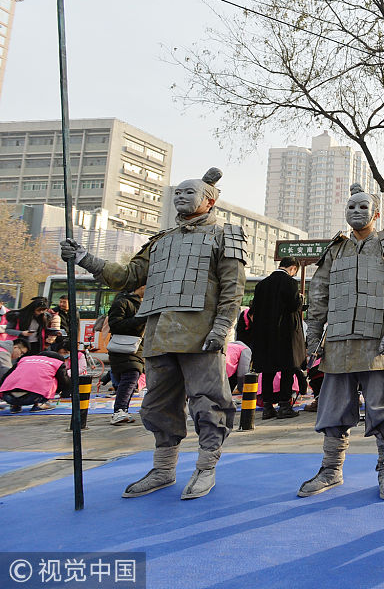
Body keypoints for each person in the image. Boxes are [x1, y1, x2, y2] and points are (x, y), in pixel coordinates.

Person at [61, 167, 247, 501]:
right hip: (160, 336)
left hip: (202, 335)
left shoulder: (225, 235)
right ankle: (163, 469)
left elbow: (233, 291)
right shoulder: (161, 241)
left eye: (189, 191)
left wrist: (221, 328)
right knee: (157, 403)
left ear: (209, 200)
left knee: (208, 404)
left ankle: (206, 468)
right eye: (177, 191)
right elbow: (126, 277)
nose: (180, 196)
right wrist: (85, 259)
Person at [298, 183, 384, 500]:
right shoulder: (335, 250)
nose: (356, 212)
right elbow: (318, 297)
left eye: (363, 207)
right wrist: (314, 338)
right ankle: (331, 469)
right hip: (338, 343)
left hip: (376, 344)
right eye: (351, 207)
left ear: (376, 213)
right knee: (332, 409)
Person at [248, 257, 306, 420]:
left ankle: (267, 407)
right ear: (293, 268)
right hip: (286, 335)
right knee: (287, 368)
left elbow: (254, 310)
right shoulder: (290, 283)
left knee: (268, 370)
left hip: (265, 335)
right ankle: (284, 406)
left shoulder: (262, 284)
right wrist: (301, 299)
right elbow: (294, 305)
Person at [106, 285, 147, 425]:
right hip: (124, 347)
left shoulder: (144, 303)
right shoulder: (122, 302)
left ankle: (122, 410)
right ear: (140, 286)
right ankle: (119, 411)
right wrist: (141, 318)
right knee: (131, 375)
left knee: (131, 378)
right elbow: (115, 325)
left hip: (138, 348)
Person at [1, 340, 65, 412]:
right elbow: (64, 381)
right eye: (21, 353)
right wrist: (63, 392)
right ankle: (40, 404)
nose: (20, 355)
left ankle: (15, 406)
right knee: (53, 378)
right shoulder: (57, 363)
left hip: (8, 397)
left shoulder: (24, 360)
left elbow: (5, 376)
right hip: (33, 397)